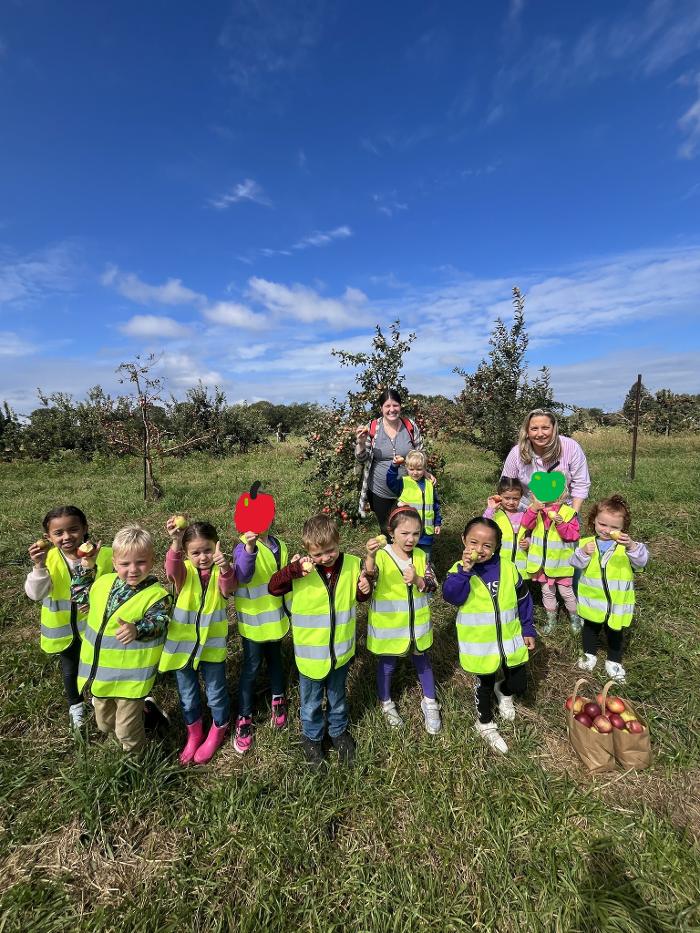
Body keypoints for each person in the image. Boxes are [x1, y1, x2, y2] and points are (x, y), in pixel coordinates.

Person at [268, 514, 371, 768]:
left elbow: (358, 596)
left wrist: (364, 589)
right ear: (307, 551)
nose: (325, 558)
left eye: (331, 550)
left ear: (339, 541)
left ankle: (338, 731)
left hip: (340, 651)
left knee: (337, 696)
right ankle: (312, 737)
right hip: (310, 656)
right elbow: (273, 587)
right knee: (311, 700)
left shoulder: (352, 564)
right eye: (318, 554)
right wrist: (291, 571)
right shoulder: (300, 570)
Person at [72, 525, 171, 753]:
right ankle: (147, 712)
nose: (133, 570)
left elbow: (160, 620)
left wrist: (137, 628)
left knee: (125, 732)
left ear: (152, 560)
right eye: (125, 564)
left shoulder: (157, 595)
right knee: (105, 724)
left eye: (141, 562)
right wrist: (87, 565)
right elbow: (80, 596)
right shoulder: (103, 583)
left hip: (130, 678)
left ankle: (136, 762)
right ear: (114, 562)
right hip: (100, 674)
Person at [442, 517, 536, 755]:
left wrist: (527, 628)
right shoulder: (458, 571)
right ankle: (484, 723)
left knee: (519, 683)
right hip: (481, 645)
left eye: (487, 545)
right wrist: (465, 571)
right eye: (473, 542)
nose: (479, 550)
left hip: (510, 639)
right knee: (483, 684)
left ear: (497, 547)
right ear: (464, 541)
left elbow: (524, 600)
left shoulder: (508, 567)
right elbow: (452, 597)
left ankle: (503, 692)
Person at [24, 506, 113, 730]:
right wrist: (38, 566)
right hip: (64, 631)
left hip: (95, 627)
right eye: (58, 533)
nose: (67, 537)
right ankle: (76, 704)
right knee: (70, 669)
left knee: (100, 664)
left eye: (73, 529)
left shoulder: (105, 555)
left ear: (85, 528)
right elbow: (36, 594)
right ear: (48, 537)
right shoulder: (49, 559)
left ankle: (99, 696)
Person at [160, 519, 236, 765]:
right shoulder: (184, 571)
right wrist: (175, 541)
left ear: (216, 547)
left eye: (207, 550)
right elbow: (171, 569)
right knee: (188, 696)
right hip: (183, 647)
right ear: (186, 553)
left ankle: (218, 729)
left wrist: (225, 569)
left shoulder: (220, 571)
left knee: (216, 693)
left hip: (212, 646)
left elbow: (228, 588)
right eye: (195, 552)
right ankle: (194, 734)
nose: (202, 557)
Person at [364, 506, 440, 733]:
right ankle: (386, 703)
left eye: (416, 534)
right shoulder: (382, 555)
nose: (411, 539)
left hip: (417, 626)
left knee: (423, 662)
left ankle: (430, 702)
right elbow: (368, 576)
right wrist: (369, 556)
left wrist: (417, 579)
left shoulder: (420, 556)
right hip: (390, 626)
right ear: (391, 532)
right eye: (405, 533)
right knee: (387, 664)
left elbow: (432, 585)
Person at [573, 495, 648, 683]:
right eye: (602, 525)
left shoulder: (627, 547)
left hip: (617, 603)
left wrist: (631, 546)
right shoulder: (586, 543)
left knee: (615, 631)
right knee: (589, 629)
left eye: (614, 527)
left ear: (623, 528)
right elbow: (574, 562)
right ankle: (589, 654)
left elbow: (642, 562)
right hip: (593, 601)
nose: (607, 531)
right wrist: (583, 553)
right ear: (594, 522)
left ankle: (614, 661)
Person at [232, 526, 291, 756]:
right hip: (253, 624)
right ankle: (244, 716)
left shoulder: (280, 545)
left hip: (275, 618)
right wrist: (249, 548)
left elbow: (282, 579)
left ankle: (278, 698)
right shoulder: (241, 548)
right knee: (251, 667)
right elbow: (243, 574)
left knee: (276, 661)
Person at [355, 389, 424, 533]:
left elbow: (421, 453)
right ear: (381, 408)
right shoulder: (373, 427)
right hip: (380, 491)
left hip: (409, 488)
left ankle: (409, 555)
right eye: (387, 406)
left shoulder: (410, 426)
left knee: (409, 528)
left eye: (395, 405)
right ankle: (388, 554)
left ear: (400, 406)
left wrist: (426, 472)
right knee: (387, 530)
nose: (392, 409)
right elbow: (362, 459)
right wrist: (361, 443)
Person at [501, 409, 590, 514]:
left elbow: (581, 484)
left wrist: (572, 515)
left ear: (554, 429)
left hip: (563, 507)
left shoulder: (571, 447)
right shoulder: (517, 452)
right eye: (534, 429)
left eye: (545, 428)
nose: (540, 434)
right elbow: (506, 485)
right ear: (527, 432)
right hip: (528, 508)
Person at [520, 489, 581, 635]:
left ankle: (576, 620)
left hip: (561, 564)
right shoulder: (536, 510)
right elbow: (526, 524)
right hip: (542, 564)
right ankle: (551, 621)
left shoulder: (568, 512)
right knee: (547, 592)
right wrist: (534, 508)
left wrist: (560, 523)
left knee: (566, 593)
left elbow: (573, 535)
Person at [386, 450, 442, 561]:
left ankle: (425, 573)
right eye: (411, 469)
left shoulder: (429, 484)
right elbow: (390, 481)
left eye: (419, 469)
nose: (415, 473)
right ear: (406, 468)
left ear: (425, 468)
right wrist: (394, 466)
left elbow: (435, 506)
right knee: (407, 558)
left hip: (426, 533)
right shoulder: (403, 483)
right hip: (409, 532)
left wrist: (437, 523)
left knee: (425, 559)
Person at [483, 478, 529, 579]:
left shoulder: (525, 515)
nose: (511, 502)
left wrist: (528, 542)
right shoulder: (496, 515)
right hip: (500, 565)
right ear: (500, 497)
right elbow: (484, 526)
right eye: (507, 498)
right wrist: (490, 508)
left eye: (515, 499)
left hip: (521, 568)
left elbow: (532, 533)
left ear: (521, 497)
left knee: (519, 593)